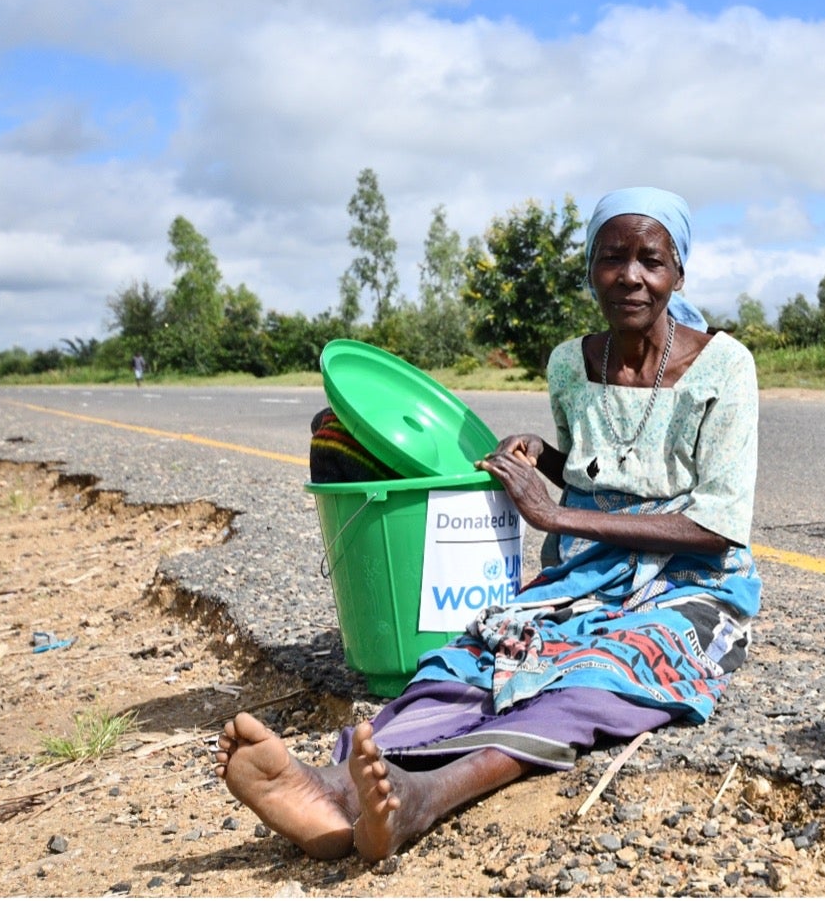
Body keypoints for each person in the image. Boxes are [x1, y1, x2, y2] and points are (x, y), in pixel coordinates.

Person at [213, 187, 762, 861]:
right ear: (590, 268)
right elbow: (609, 473)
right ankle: (330, 788)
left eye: (651, 260)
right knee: (479, 654)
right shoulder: (570, 363)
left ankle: (425, 798)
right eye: (612, 258)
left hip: (694, 583)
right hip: (586, 574)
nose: (631, 276)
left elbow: (718, 525)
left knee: (599, 673)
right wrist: (547, 456)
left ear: (679, 272)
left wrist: (553, 514)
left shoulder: (725, 366)